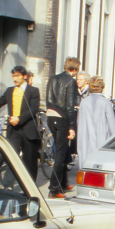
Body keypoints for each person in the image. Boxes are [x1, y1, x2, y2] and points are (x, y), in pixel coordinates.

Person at [0, 66, 41, 179]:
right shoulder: (10, 90)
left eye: (17, 76)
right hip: (14, 130)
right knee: (12, 157)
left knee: (29, 161)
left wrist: (19, 118)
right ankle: (8, 184)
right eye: (13, 76)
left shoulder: (33, 91)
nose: (15, 78)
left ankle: (31, 187)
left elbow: (33, 109)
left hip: (28, 130)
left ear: (24, 76)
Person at [45, 57, 80, 198]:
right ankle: (54, 189)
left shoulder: (53, 78)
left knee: (62, 150)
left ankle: (63, 183)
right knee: (60, 155)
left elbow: (49, 99)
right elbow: (70, 106)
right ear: (75, 70)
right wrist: (72, 126)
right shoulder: (71, 81)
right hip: (63, 118)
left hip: (50, 116)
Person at [77, 76, 115, 162]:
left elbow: (79, 121)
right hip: (101, 141)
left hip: (85, 142)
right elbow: (112, 126)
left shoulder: (84, 102)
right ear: (102, 87)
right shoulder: (106, 102)